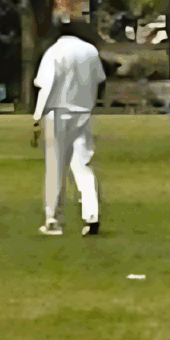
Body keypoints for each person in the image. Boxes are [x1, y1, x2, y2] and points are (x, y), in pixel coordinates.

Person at [32, 21, 106, 236]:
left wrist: (37, 116)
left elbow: (45, 86)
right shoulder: (90, 50)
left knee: (55, 166)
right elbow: (99, 79)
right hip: (83, 113)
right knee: (83, 164)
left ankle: (52, 218)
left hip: (57, 113)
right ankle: (92, 216)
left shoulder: (54, 51)